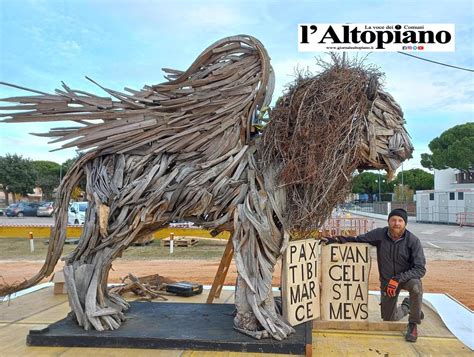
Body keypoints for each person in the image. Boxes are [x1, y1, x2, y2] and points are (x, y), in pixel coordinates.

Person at [324, 208, 426, 342]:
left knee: (416, 287)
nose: (396, 223)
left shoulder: (413, 240)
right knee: (389, 319)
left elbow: (420, 269)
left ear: (405, 223)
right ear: (388, 221)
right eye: (393, 220)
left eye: (400, 220)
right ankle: (409, 306)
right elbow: (358, 239)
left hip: (406, 278)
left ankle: (413, 323)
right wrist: (338, 240)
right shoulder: (380, 234)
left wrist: (398, 279)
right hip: (387, 281)